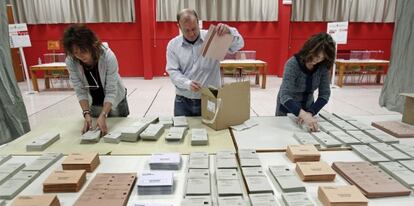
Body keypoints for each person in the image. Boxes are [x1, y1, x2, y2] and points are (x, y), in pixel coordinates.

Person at [166, 8, 244, 116]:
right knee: (182, 131)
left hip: (210, 97)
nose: (192, 33)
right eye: (186, 30)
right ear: (179, 26)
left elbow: (239, 45)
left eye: (194, 28)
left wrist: (230, 31)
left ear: (198, 22)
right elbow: (173, 71)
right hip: (183, 101)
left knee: (212, 132)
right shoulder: (173, 45)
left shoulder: (213, 37)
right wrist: (187, 83)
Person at [63, 24, 129, 136]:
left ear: (92, 45)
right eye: (76, 52)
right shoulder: (71, 61)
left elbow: (111, 90)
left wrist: (103, 114)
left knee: (118, 132)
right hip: (94, 102)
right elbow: (80, 90)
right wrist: (86, 114)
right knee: (97, 133)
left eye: (83, 51)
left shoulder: (108, 56)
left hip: (115, 101)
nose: (80, 56)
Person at [276, 32, 335, 132]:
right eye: (316, 55)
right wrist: (302, 114)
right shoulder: (293, 64)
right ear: (309, 49)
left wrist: (310, 113)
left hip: (309, 109)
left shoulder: (322, 67)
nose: (317, 60)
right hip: (287, 109)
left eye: (322, 57)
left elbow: (324, 95)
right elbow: (285, 96)